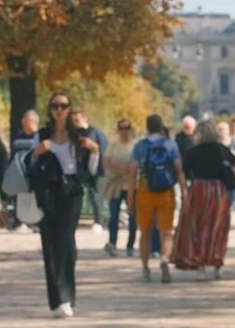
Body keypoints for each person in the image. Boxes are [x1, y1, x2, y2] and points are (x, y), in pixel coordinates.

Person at [27, 92, 100, 318]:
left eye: (64, 106)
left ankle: (67, 296)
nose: (59, 110)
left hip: (72, 193)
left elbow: (92, 171)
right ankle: (56, 300)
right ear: (50, 110)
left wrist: (95, 150)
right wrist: (36, 153)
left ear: (69, 109)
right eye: (55, 106)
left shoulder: (78, 136)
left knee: (66, 242)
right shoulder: (41, 136)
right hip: (48, 193)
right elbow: (29, 166)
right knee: (49, 243)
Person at [172, 120, 235, 279]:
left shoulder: (193, 151)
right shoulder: (221, 149)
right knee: (219, 227)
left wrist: (184, 193)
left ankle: (201, 266)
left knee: (198, 227)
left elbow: (184, 173)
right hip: (219, 191)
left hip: (199, 190)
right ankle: (217, 263)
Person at [127, 115, 186, 283]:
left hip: (145, 191)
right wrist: (184, 193)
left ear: (147, 127)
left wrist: (130, 197)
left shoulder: (140, 146)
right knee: (166, 232)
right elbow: (179, 171)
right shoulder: (171, 144)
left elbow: (132, 173)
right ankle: (164, 260)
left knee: (145, 232)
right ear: (161, 127)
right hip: (166, 192)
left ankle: (145, 269)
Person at [103, 119, 137, 257]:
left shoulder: (135, 145)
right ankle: (112, 243)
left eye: (127, 127)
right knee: (114, 216)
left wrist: (129, 171)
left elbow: (138, 163)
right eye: (121, 128)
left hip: (131, 185)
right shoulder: (113, 144)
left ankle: (130, 245)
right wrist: (120, 170)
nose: (124, 131)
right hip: (116, 184)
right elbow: (106, 162)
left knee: (133, 217)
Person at [72, 108, 107, 234]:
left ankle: (98, 221)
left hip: (95, 168)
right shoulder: (73, 133)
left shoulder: (95, 132)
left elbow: (102, 150)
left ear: (84, 118)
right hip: (79, 168)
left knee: (95, 196)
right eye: (73, 121)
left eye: (77, 119)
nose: (76, 123)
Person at [7, 110, 40, 228]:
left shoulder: (39, 136)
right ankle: (18, 221)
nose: (23, 122)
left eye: (26, 120)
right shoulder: (18, 136)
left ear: (33, 121)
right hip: (19, 171)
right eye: (23, 120)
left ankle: (36, 222)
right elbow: (13, 154)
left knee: (35, 196)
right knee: (18, 195)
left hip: (34, 171)